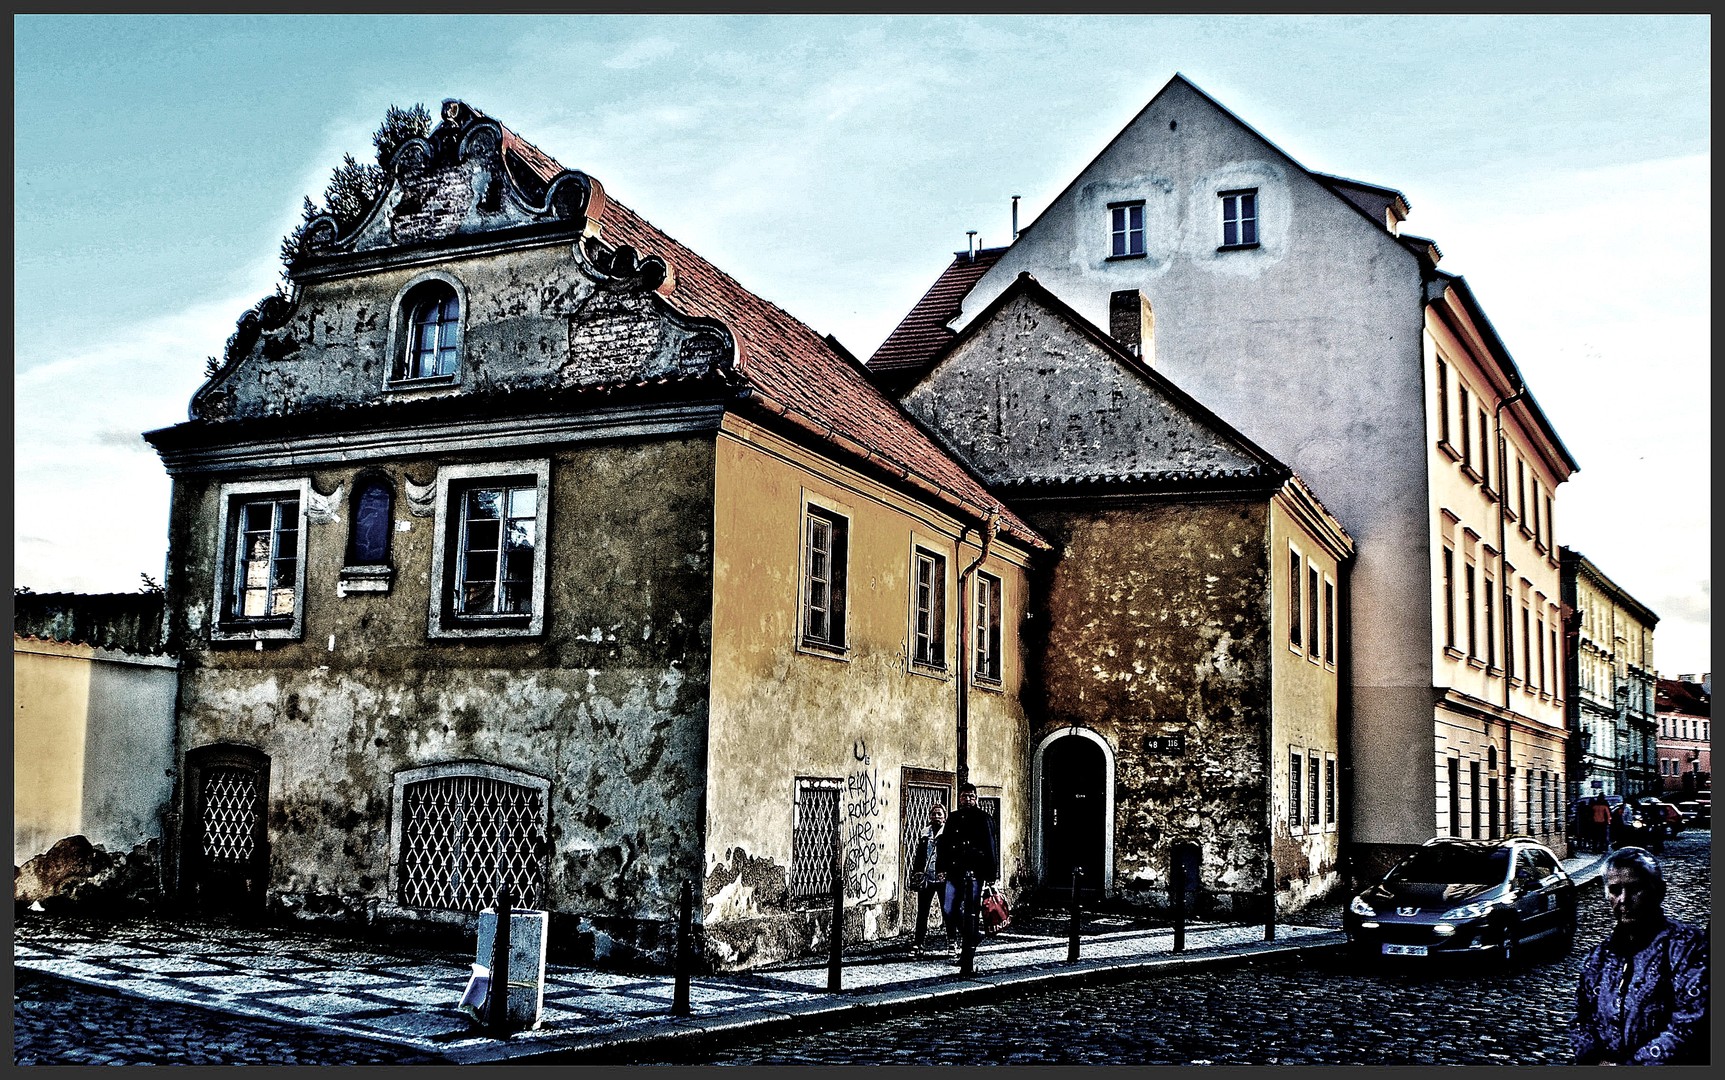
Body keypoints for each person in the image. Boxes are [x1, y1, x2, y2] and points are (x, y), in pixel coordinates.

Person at [1572, 847, 1708, 1066]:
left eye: (1635, 889)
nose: (1624, 899)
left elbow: (1691, 1023)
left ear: (1659, 892)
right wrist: (1593, 1059)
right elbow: (1582, 1018)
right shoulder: (1599, 957)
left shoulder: (1689, 947)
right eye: (1615, 890)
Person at [937, 783, 999, 958]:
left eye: (971, 796)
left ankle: (967, 953)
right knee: (949, 908)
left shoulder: (984, 818)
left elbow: (990, 847)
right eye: (964, 796)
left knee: (971, 910)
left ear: (976, 798)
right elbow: (944, 844)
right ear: (959, 798)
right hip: (954, 870)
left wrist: (991, 874)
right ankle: (972, 936)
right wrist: (941, 867)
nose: (967, 799)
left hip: (975, 872)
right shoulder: (953, 818)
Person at [908, 803, 948, 955]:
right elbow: (919, 856)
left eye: (939, 814)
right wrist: (917, 872)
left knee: (948, 911)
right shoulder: (925, 834)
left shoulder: (948, 834)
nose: (936, 817)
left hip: (943, 879)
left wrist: (947, 872)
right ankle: (918, 943)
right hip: (927, 878)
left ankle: (952, 942)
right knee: (922, 912)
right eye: (934, 814)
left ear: (944, 817)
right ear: (929, 816)